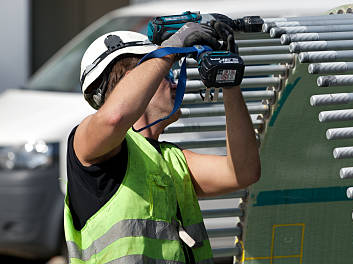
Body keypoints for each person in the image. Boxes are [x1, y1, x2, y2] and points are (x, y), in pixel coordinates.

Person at [64, 22, 261, 263]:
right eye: (166, 74)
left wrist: (230, 82)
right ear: (131, 79)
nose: (176, 82)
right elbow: (113, 119)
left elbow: (243, 172)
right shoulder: (86, 143)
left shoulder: (171, 159)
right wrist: (170, 50)